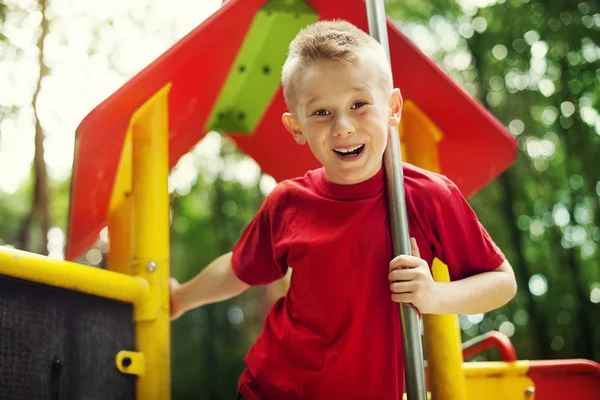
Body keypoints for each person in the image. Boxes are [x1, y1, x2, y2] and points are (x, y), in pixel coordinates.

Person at [169, 19, 517, 400]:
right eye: (321, 112)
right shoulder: (288, 202)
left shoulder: (428, 197)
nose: (343, 127)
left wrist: (434, 296)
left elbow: (501, 281)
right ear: (296, 127)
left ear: (393, 108)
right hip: (272, 389)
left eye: (359, 104)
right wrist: (180, 298)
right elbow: (239, 267)